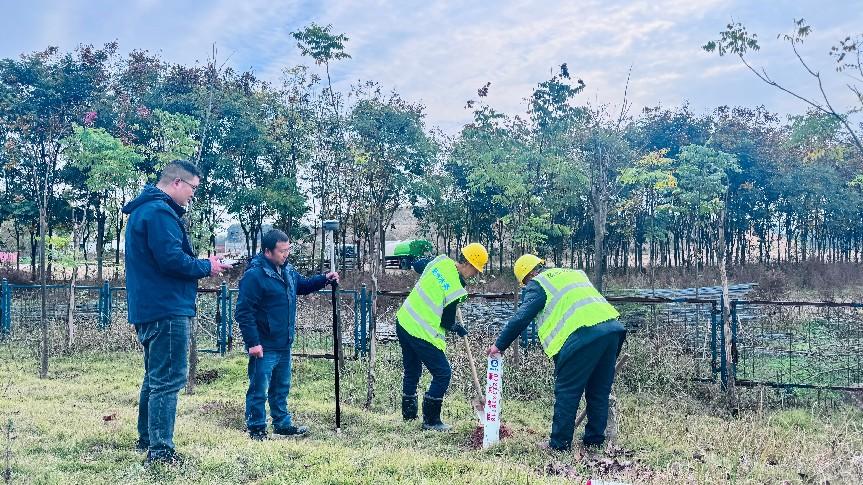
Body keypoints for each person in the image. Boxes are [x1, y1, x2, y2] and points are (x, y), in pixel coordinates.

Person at [123, 160, 233, 465]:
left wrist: (203, 263)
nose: (193, 195)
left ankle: (147, 439)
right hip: (167, 308)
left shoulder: (143, 211)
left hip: (149, 307)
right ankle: (160, 452)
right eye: (193, 188)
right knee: (168, 380)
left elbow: (164, 258)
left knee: (155, 377)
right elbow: (171, 260)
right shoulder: (159, 213)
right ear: (177, 183)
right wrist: (207, 266)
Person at [487, 254, 625, 451]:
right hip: (611, 331)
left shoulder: (539, 284)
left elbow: (521, 317)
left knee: (567, 391)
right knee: (598, 391)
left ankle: (559, 444)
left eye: (525, 283)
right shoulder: (573, 273)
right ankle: (594, 441)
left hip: (583, 336)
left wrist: (499, 345)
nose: (526, 287)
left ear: (528, 276)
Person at [235, 229, 339, 441]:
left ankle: (282, 424)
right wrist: (253, 342)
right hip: (264, 344)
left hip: (284, 342)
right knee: (258, 388)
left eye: (288, 250)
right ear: (267, 251)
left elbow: (302, 286)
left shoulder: (287, 270)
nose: (286, 254)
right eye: (282, 251)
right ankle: (256, 428)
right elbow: (244, 312)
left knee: (281, 387)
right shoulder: (255, 276)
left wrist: (324, 279)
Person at [396, 243, 488, 431]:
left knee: (412, 370)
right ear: (469, 264)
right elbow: (446, 323)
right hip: (421, 331)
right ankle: (431, 421)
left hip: (404, 320)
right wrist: (457, 328)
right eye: (476, 270)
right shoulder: (456, 290)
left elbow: (419, 265)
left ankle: (409, 415)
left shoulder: (441, 261)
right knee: (443, 373)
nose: (475, 274)